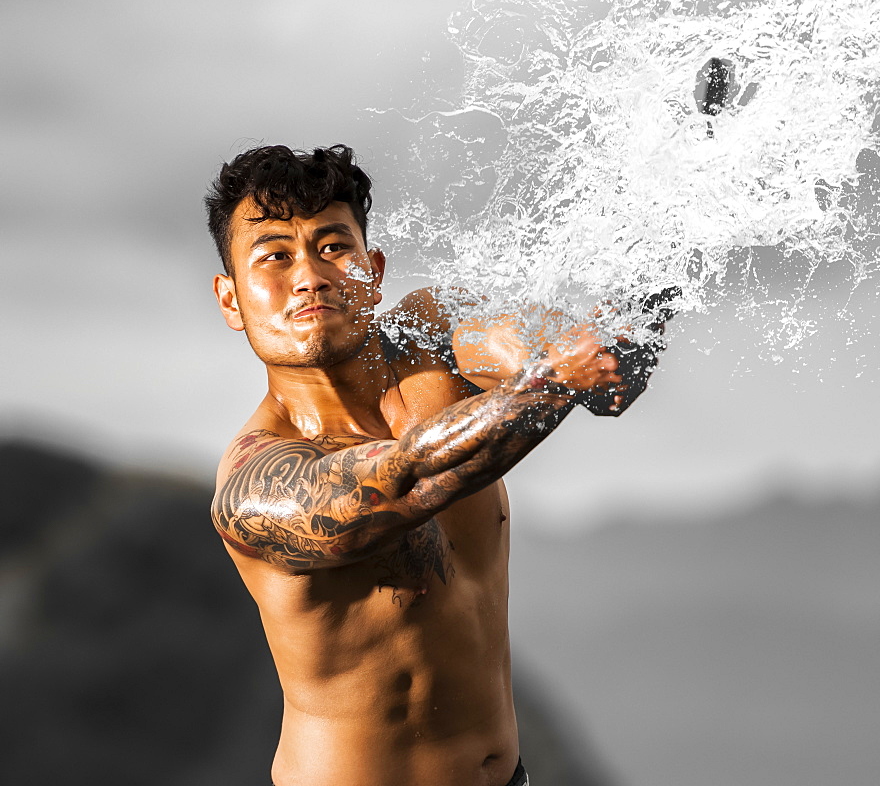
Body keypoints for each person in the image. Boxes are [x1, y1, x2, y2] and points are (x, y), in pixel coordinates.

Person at [205, 144, 664, 786]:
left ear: (375, 268)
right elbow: (410, 479)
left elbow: (567, 351)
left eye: (334, 246)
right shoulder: (255, 482)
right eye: (276, 256)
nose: (309, 275)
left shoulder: (433, 332)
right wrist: (558, 381)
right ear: (231, 300)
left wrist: (670, 235)